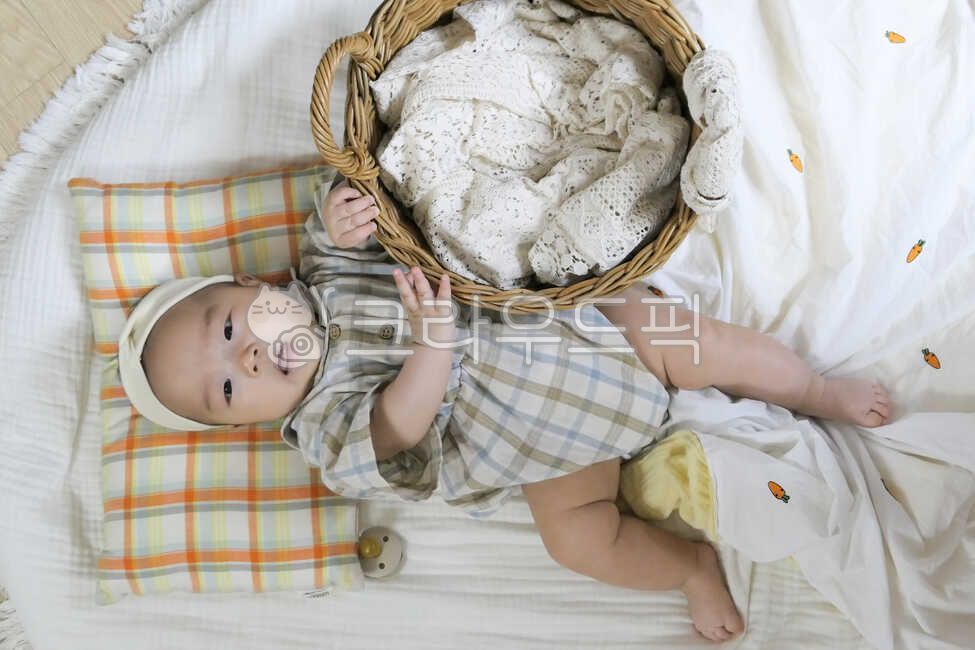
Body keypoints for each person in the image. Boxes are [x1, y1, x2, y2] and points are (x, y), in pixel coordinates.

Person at [118, 172, 890, 642]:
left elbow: (352, 210)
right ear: (249, 423)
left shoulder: (325, 269)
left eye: (229, 330)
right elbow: (396, 429)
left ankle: (813, 391)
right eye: (229, 388)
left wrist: (339, 210)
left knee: (700, 341)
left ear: (255, 286)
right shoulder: (322, 427)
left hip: (578, 329)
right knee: (577, 542)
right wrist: (430, 346)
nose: (249, 359)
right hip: (543, 451)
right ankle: (688, 568)